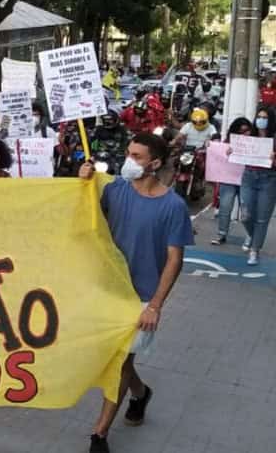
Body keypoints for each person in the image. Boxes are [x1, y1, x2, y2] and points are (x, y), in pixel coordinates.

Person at [79, 133, 192, 453]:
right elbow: (81, 208)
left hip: (140, 298)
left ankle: (99, 435)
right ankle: (140, 394)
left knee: (120, 363)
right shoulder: (114, 191)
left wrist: (155, 305)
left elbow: (175, 259)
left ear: (154, 164)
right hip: (107, 291)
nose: (129, 160)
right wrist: (83, 180)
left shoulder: (173, 206)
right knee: (118, 362)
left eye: (137, 156)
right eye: (128, 153)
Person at [238, 106, 276, 266]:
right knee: (245, 214)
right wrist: (231, 151)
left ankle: (254, 250)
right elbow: (236, 150)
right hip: (249, 177)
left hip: (269, 179)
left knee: (262, 219)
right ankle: (253, 237)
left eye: (265, 118)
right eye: (259, 117)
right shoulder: (248, 136)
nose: (261, 120)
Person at [211, 117, 253, 246]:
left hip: (246, 180)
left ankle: (251, 236)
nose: (244, 134)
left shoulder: (254, 144)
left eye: (246, 131)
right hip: (229, 179)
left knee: (247, 210)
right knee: (225, 207)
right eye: (240, 131)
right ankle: (222, 234)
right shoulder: (227, 142)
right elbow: (219, 154)